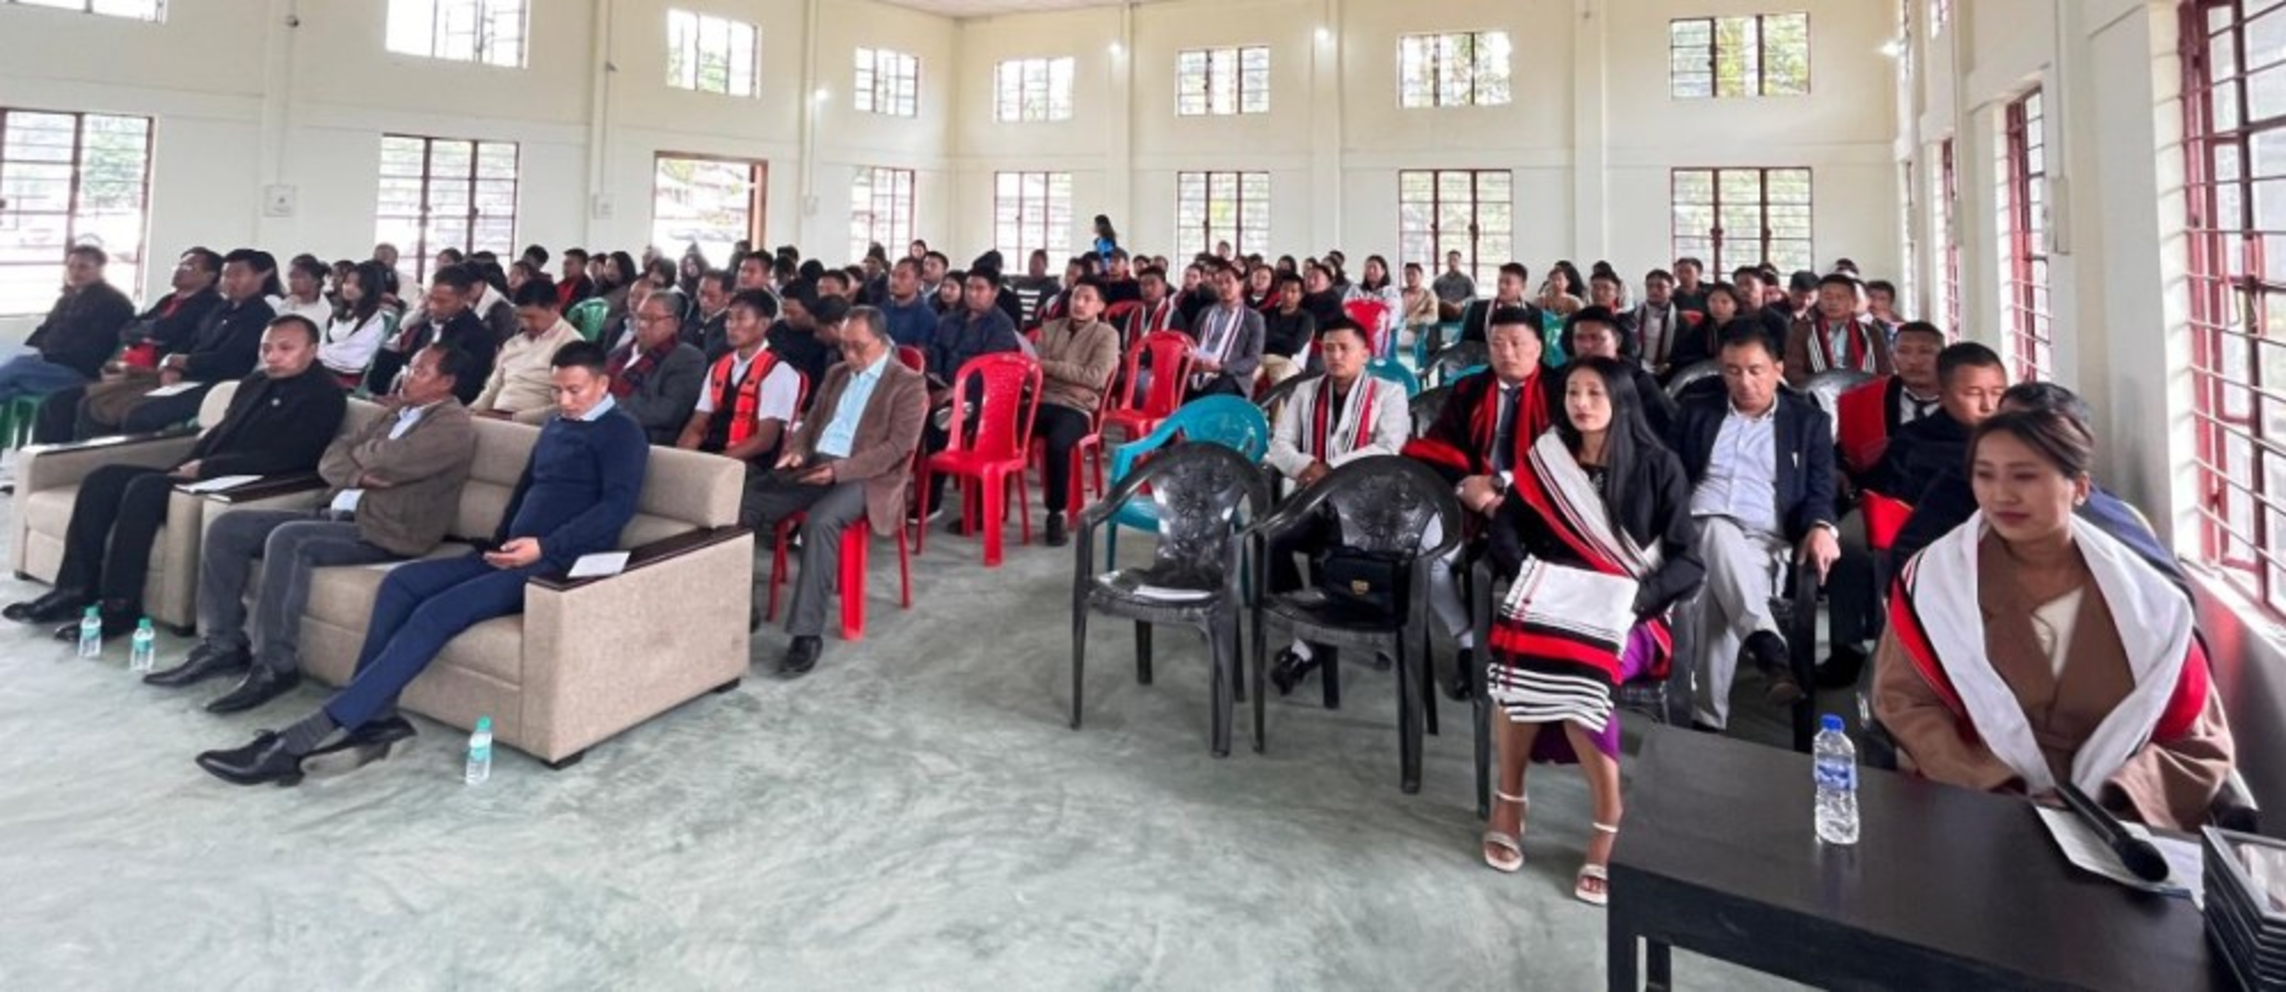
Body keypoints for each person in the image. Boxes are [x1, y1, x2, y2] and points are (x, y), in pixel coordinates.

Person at [193, 340, 649, 787]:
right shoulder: (557, 424)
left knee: (437, 612)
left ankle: (302, 739)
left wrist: (544, 548)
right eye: (557, 390)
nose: (564, 400)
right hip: (509, 551)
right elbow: (529, 488)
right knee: (401, 584)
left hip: (556, 566)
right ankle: (376, 717)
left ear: (603, 384)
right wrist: (498, 540)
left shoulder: (622, 433)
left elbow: (615, 510)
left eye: (575, 390)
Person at [1874, 410, 2234, 829]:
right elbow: (1905, 701)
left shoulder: (2150, 605)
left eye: (2024, 477)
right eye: (1985, 475)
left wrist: (2115, 798)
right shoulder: (1938, 584)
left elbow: (2196, 742)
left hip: (2118, 821)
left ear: (2079, 487)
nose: (2001, 495)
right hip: (1979, 807)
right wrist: (1992, 784)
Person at [1478, 357, 1703, 903]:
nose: (1581, 403)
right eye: (1573, 392)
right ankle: (1510, 797)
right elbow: (1505, 530)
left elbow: (1687, 562)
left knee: (1584, 668)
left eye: (1595, 393)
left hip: (1630, 616)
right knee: (1515, 658)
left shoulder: (1658, 465)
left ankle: (1608, 818)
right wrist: (1535, 579)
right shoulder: (1547, 460)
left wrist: (1630, 603)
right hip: (1551, 606)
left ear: (1621, 400)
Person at [150, 344, 479, 713]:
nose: (407, 376)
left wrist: (360, 453)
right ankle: (223, 644)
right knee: (229, 527)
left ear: (446, 382)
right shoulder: (395, 412)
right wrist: (357, 473)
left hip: (388, 530)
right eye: (410, 366)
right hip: (335, 514)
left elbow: (391, 460)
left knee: (290, 539)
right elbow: (332, 455)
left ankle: (275, 666)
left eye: (420, 371)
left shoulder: (452, 425)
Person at [3, 316, 347, 640]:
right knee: (102, 479)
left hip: (248, 483)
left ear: (312, 350)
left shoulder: (323, 396)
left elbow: (291, 457)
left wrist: (206, 468)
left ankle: (120, 606)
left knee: (145, 488)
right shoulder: (256, 382)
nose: (272, 357)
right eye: (266, 348)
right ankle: (73, 589)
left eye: (285, 349)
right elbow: (220, 432)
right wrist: (188, 462)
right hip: (204, 471)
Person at [1669, 322, 1840, 730]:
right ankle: (1767, 649)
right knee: (1715, 527)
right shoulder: (1697, 411)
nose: (1743, 382)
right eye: (1732, 370)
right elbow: (1669, 477)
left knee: (1716, 587)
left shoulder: (1807, 422)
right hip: (1694, 534)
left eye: (1755, 370)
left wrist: (1822, 526)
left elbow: (1821, 490)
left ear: (1778, 368)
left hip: (1766, 542)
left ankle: (1709, 718)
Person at [742, 306, 927, 676]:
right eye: (844, 346)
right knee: (741, 504)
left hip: (866, 475)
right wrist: (797, 450)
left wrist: (839, 471)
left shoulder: (907, 383)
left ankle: (806, 633)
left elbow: (896, 449)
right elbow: (810, 424)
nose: (850, 355)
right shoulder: (837, 373)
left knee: (820, 522)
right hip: (816, 464)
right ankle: (741, 605)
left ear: (882, 342)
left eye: (859, 347)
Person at [1402, 308, 1561, 699]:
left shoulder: (1560, 389)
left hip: (1540, 499)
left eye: (1517, 343)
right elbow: (1437, 448)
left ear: (1538, 348)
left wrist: (1502, 484)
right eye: (1497, 344)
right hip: (1469, 495)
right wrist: (1463, 486)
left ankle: (1535, 650)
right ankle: (1468, 640)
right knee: (1427, 551)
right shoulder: (1469, 389)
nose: (1507, 352)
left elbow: (1566, 456)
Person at [1262, 318, 1412, 692]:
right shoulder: (1306, 391)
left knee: (1337, 548)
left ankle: (1319, 639)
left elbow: (1388, 447)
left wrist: (1329, 469)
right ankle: (1305, 630)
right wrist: (1307, 466)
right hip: (1314, 496)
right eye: (1328, 348)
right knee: (1271, 537)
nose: (1335, 355)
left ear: (1365, 354)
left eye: (1345, 348)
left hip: (1367, 505)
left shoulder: (1389, 392)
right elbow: (1280, 445)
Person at [52, 248, 277, 442]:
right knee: (94, 406)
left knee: (139, 415)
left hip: (214, 384)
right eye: (226, 275)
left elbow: (231, 361)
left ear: (261, 276)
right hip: (181, 377)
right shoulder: (220, 310)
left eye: (238, 274)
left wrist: (182, 362)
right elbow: (189, 342)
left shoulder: (259, 316)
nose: (229, 280)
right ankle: (86, 462)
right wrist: (172, 364)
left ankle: (132, 466)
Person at [919, 269, 1024, 518]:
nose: (972, 294)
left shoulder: (1001, 326)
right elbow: (936, 352)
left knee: (938, 422)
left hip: (982, 398)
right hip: (944, 387)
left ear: (994, 292)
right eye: (969, 288)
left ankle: (934, 501)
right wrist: (935, 381)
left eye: (980, 289)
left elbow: (988, 370)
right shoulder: (950, 320)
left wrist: (955, 392)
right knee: (911, 411)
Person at [1030, 277, 1120, 546]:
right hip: (1041, 400)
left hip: (1076, 408)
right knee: (998, 427)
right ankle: (986, 509)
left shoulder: (1107, 335)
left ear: (1100, 306)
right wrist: (1069, 380)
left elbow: (1095, 377)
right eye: (1075, 297)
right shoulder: (1050, 328)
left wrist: (1049, 367)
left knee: (1058, 443)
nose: (1079, 303)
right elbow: (1033, 371)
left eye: (1087, 299)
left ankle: (1056, 513)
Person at [677, 288, 804, 475]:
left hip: (749, 465)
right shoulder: (718, 366)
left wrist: (714, 465)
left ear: (764, 324)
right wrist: (680, 460)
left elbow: (765, 440)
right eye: (729, 318)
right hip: (712, 456)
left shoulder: (778, 370)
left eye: (741, 319)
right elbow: (698, 424)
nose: (731, 325)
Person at [0, 245, 133, 405]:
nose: (75, 272)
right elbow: (44, 330)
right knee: (12, 370)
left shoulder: (112, 302)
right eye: (71, 267)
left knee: (17, 368)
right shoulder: (68, 298)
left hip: (80, 373)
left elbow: (92, 347)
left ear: (100, 269)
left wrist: (47, 354)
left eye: (83, 267)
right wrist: (29, 349)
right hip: (52, 364)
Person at [365, 264, 498, 404]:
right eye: (430, 298)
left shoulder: (479, 337)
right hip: (399, 400)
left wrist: (408, 402)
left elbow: (466, 390)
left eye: (442, 301)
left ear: (464, 299)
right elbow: (404, 367)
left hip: (437, 408)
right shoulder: (423, 326)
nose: (432, 306)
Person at [1833, 320, 1947, 482]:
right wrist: (1839, 471)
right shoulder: (1862, 400)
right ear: (1892, 357)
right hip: (1881, 490)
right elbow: (1844, 453)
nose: (1914, 360)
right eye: (1903, 351)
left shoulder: (1963, 400)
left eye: (1925, 351)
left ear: (1944, 356)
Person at [603, 289, 706, 443]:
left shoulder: (688, 359)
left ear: (675, 323)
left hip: (643, 439)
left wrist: (606, 404)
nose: (642, 325)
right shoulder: (616, 354)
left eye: (652, 319)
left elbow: (668, 412)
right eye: (639, 317)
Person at [471, 278, 585, 418]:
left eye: (531, 317)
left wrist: (512, 418)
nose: (525, 324)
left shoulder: (573, 345)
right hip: (496, 418)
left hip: (533, 425)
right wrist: (472, 411)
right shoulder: (513, 343)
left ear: (555, 309)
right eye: (520, 317)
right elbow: (491, 390)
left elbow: (567, 404)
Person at [1562, 307, 1674, 438]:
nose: (1586, 345)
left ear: (1617, 341)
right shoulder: (1564, 376)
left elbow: (1666, 427)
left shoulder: (1636, 380)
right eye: (1580, 338)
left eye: (1596, 338)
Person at [1783, 273, 1894, 387]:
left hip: (1863, 392)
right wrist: (1822, 387)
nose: (1833, 302)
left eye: (1840, 297)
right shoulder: (1802, 330)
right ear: (1819, 303)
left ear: (1853, 303)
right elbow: (1792, 371)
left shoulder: (1872, 333)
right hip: (1816, 392)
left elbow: (1885, 372)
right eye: (1828, 297)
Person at [1186, 260, 1265, 398]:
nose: (1223, 286)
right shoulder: (1205, 313)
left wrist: (1221, 367)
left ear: (1241, 285)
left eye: (1228, 282)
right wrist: (1194, 362)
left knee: (1214, 391)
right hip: (1198, 370)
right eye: (1218, 283)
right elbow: (1191, 344)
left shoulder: (1253, 318)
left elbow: (1253, 360)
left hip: (1230, 376)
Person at [320, 261, 396, 384]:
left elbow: (355, 354)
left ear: (370, 288)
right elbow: (324, 341)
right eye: (347, 282)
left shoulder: (374, 320)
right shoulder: (339, 312)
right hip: (325, 365)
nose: (349, 287)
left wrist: (319, 353)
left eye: (358, 284)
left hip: (346, 372)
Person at [1631, 268, 1698, 381]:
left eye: (1660, 286)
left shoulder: (1681, 321)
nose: (1654, 290)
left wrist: (1670, 364)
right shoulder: (1631, 317)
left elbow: (1686, 351)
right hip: (1636, 370)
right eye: (1649, 286)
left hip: (1668, 373)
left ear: (1671, 291)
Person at [1457, 263, 1540, 347]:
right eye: (1500, 281)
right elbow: (1464, 346)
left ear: (1523, 287)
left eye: (1508, 283)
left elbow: (1538, 348)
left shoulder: (1534, 314)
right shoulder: (1477, 309)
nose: (1501, 286)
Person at [1260, 272, 1318, 385]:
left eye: (1293, 291)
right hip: (1261, 357)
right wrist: (1284, 338)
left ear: (1301, 295)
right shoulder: (1266, 313)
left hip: (1288, 361)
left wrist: (1271, 336)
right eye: (1284, 289)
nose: (1287, 294)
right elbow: (1258, 339)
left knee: (1279, 379)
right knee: (1244, 376)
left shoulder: (1306, 318)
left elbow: (1296, 346)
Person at [879, 257, 938, 350]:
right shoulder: (882, 309)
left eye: (903, 276)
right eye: (893, 275)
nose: (895, 281)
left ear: (918, 281)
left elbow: (919, 353)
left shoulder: (926, 316)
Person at [275, 255, 334, 329]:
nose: (292, 281)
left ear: (316, 280)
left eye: (298, 277)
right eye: (290, 276)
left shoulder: (323, 310)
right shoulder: (288, 302)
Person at [1432, 251, 1476, 321]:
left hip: (1461, 311)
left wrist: (1462, 303)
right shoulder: (1438, 280)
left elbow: (1473, 296)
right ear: (1447, 262)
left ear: (1460, 262)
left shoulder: (1467, 279)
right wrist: (1443, 304)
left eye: (1455, 260)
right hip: (1443, 311)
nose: (1452, 263)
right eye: (1450, 260)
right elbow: (1431, 296)